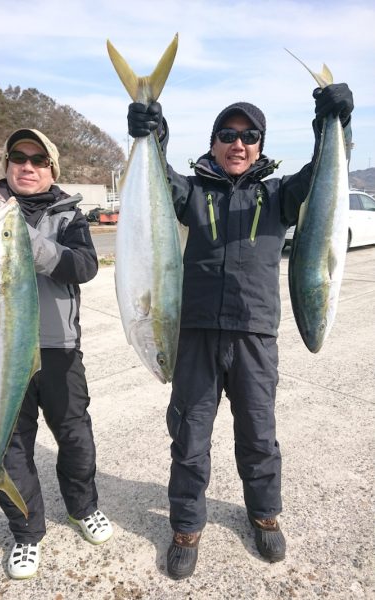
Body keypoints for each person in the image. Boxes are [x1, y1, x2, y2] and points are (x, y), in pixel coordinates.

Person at [127, 83, 354, 579]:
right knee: (188, 436)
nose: (238, 144)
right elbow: (156, 182)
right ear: (212, 143)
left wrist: (333, 124)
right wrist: (151, 134)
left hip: (254, 337)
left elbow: (324, 175)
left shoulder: (278, 195)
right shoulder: (191, 191)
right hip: (196, 337)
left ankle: (263, 513)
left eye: (249, 136)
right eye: (228, 135)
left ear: (260, 146)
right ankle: (186, 524)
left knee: (258, 435)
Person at [0, 129, 113, 579]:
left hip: (59, 351)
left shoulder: (68, 214)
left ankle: (82, 508)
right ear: (7, 164)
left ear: (53, 170)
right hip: (0, 352)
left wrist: (31, 244)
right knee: (12, 443)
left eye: (38, 161)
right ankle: (26, 534)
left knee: (75, 437)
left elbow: (84, 266)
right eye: (18, 158)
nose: (27, 167)